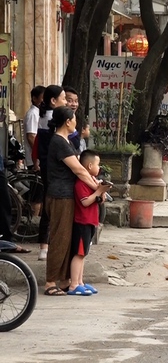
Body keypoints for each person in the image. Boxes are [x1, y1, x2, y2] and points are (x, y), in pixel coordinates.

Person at [43, 106, 100, 296]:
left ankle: (66, 281)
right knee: (59, 239)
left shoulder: (66, 141)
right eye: (74, 118)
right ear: (67, 122)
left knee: (68, 240)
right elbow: (79, 170)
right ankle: (50, 282)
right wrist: (97, 188)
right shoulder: (58, 142)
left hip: (68, 196)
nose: (76, 122)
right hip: (60, 196)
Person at [69, 150, 111, 296]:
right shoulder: (80, 183)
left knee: (83, 254)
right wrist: (98, 192)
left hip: (90, 222)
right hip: (82, 222)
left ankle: (80, 282)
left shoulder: (92, 181)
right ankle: (73, 284)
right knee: (79, 254)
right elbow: (85, 202)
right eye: (98, 164)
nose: (99, 168)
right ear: (90, 165)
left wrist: (101, 191)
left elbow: (99, 199)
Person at [34, 85, 66, 261]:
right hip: (56, 168)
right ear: (53, 101)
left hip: (46, 166)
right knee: (55, 204)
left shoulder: (43, 116)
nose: (66, 102)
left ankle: (44, 247)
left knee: (48, 203)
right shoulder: (54, 118)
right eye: (64, 98)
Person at [23, 85, 45, 168]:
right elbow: (31, 136)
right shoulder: (32, 114)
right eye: (43, 98)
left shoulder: (39, 112)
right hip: (34, 161)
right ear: (35, 99)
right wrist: (38, 155)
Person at [64, 87, 83, 153]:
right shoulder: (61, 120)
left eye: (76, 101)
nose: (74, 104)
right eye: (70, 101)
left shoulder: (75, 118)